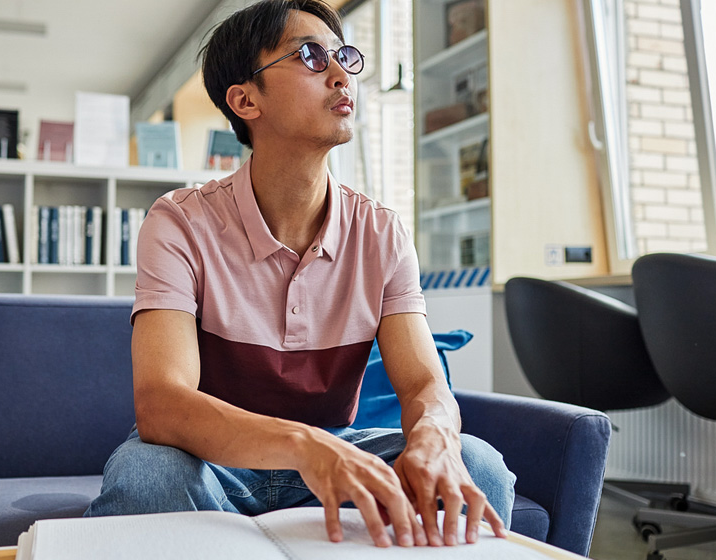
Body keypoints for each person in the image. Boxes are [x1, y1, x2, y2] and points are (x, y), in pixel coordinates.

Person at [85, 0, 515, 548]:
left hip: (339, 446)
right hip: (211, 462)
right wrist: (304, 445)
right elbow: (162, 406)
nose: (341, 75)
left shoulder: (381, 233)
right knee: (147, 476)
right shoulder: (179, 222)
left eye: (344, 56)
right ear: (244, 100)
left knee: (477, 464)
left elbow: (425, 384)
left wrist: (433, 436)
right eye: (311, 57)